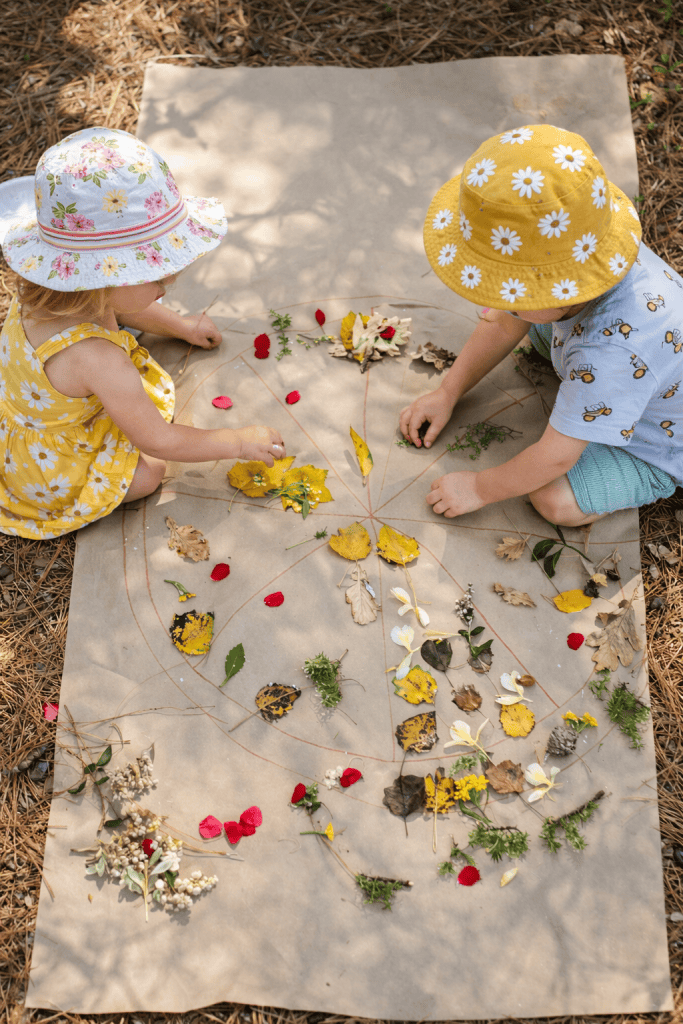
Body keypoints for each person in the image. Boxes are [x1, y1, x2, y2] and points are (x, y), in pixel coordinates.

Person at [0, 127, 285, 538]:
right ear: (100, 275)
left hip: (28, 418)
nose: (168, 279)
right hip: (47, 466)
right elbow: (159, 440)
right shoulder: (98, 358)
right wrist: (237, 442)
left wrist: (180, 326)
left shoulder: (54, 295)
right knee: (150, 474)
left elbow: (123, 305)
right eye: (153, 274)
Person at [399, 124, 683, 526]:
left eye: (514, 300)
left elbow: (556, 456)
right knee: (534, 331)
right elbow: (502, 325)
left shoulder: (608, 358)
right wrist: (447, 391)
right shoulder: (589, 241)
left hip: (660, 439)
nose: (495, 306)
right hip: (634, 361)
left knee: (553, 500)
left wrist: (481, 487)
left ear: (561, 292)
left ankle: (655, 474)